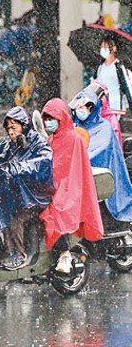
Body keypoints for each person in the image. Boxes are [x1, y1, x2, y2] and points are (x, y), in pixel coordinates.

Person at [0, 106, 54, 270]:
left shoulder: (37, 142)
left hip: (34, 196)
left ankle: (19, 254)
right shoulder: (9, 144)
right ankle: (0, 249)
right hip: (15, 194)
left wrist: (19, 168)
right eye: (8, 128)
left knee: (13, 218)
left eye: (14, 127)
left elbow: (43, 162)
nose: (11, 132)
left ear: (23, 125)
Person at [39, 98, 103, 274]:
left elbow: (73, 171)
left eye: (51, 118)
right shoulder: (51, 140)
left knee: (54, 212)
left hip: (68, 189)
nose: (48, 122)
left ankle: (65, 253)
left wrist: (58, 188)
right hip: (52, 186)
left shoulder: (74, 139)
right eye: (46, 118)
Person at [71, 88, 132, 223]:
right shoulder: (73, 127)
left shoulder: (104, 127)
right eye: (79, 106)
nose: (81, 109)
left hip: (98, 177)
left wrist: (82, 160)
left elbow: (101, 151)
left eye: (85, 107)